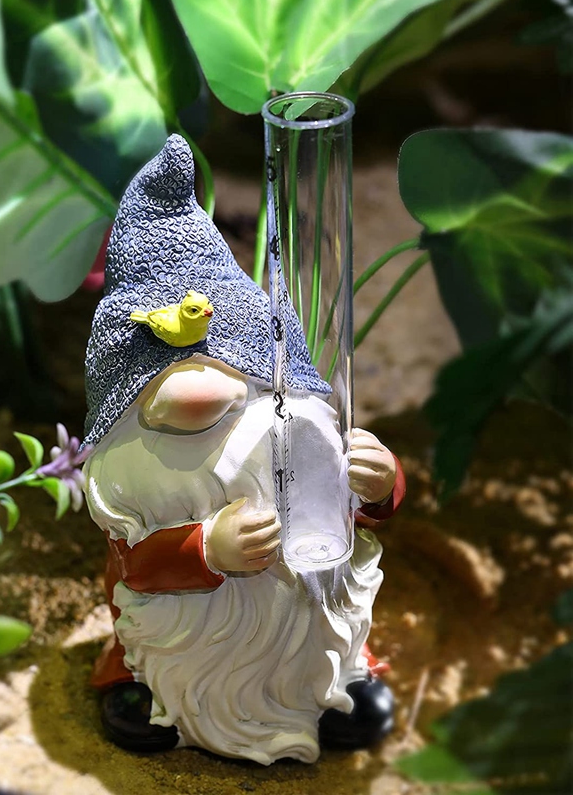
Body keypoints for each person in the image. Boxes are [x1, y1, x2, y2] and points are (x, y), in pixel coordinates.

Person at [82, 136, 405, 764]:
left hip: (304, 621)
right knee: (147, 645)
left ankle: (331, 682)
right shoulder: (133, 484)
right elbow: (139, 566)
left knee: (327, 615)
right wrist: (206, 548)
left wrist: (381, 482)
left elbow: (354, 513)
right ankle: (151, 689)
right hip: (185, 640)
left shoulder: (296, 424)